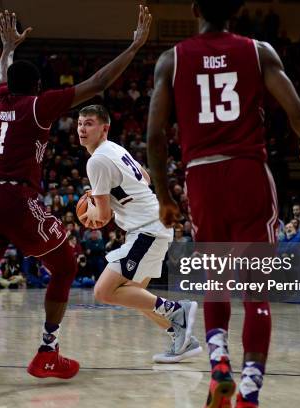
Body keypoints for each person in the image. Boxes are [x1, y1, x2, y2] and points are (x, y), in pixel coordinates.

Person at [0, 7, 152, 400]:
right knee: (66, 263)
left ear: (10, 84)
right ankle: (48, 350)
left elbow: (0, 76)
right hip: (14, 197)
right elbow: (98, 82)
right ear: (39, 87)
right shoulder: (37, 104)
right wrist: (134, 46)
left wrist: (8, 47)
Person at [146, 1, 300, 407]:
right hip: (247, 172)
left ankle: (219, 364)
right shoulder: (259, 51)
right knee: (256, 291)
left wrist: (164, 195)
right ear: (236, 10)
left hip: (201, 178)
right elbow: (295, 110)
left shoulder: (171, 59)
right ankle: (249, 392)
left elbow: (155, 136)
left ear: (193, 9)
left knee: (216, 282)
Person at [78, 105, 201, 363]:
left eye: (89, 123)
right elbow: (144, 178)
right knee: (137, 297)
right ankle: (184, 340)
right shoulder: (115, 149)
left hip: (147, 230)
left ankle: (178, 310)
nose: (82, 128)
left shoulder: (97, 160)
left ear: (104, 128)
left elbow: (102, 218)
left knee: (103, 291)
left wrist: (90, 212)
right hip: (151, 227)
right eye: (80, 123)